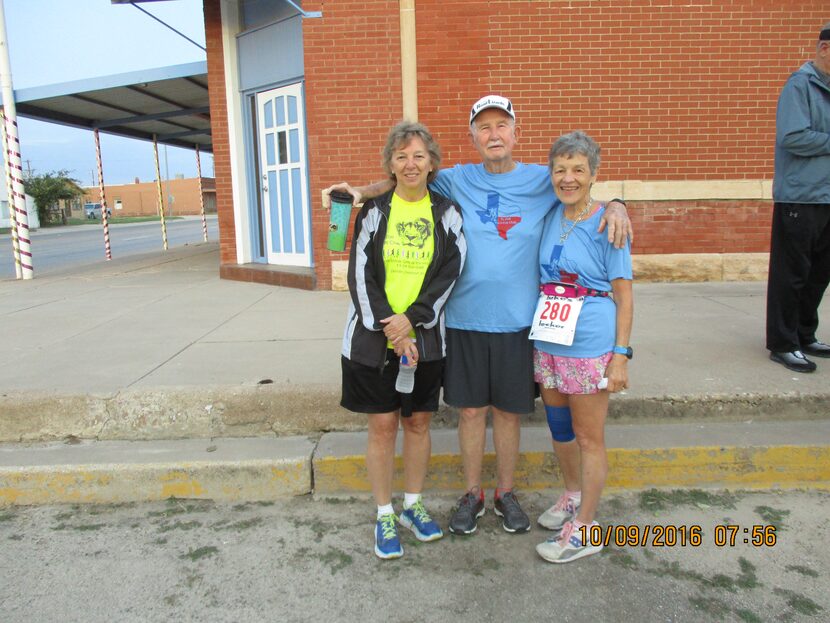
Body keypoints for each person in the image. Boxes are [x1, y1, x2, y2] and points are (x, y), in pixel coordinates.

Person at [327, 96, 632, 536]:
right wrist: (359, 192)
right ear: (473, 137)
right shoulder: (456, 180)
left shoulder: (541, 180)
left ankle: (505, 494)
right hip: (464, 321)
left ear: (515, 133)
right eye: (484, 128)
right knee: (470, 413)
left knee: (508, 414)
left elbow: (579, 188)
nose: (493, 134)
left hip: (520, 322)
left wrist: (617, 204)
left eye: (501, 126)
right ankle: (472, 494)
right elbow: (405, 180)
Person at [339, 121, 466, 559]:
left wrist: (411, 322)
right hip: (373, 341)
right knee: (382, 425)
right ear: (390, 165)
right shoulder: (374, 211)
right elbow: (360, 273)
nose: (410, 164)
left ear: (432, 162)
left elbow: (451, 271)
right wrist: (390, 328)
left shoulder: (447, 212)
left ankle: (412, 504)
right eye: (401, 156)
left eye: (418, 156)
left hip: (425, 340)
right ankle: (384, 513)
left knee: (418, 423)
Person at [531, 131, 633, 563]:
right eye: (560, 169)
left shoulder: (608, 225)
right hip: (550, 338)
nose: (568, 178)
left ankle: (587, 528)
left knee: (590, 437)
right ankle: (572, 495)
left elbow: (625, 296)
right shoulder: (552, 212)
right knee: (559, 427)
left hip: (590, 344)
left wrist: (621, 355)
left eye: (578, 169)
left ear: (593, 174)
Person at [766, 23, 830, 374]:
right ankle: (783, 342)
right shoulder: (799, 86)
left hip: (827, 196)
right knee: (792, 274)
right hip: (800, 197)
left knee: (820, 272)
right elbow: (794, 136)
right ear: (824, 48)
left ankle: (806, 334)